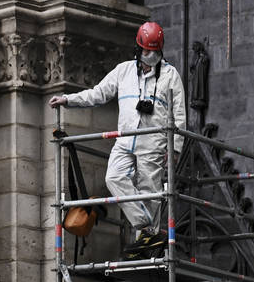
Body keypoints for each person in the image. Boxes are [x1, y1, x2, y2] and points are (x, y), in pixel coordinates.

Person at [49, 21, 186, 257]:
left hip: (153, 142)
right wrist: (68, 99)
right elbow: (98, 93)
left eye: (155, 52)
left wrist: (174, 149)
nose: (150, 55)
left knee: (149, 192)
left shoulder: (170, 75)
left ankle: (145, 246)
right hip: (125, 139)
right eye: (146, 51)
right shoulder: (123, 71)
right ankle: (148, 230)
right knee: (113, 177)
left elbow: (180, 114)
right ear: (138, 49)